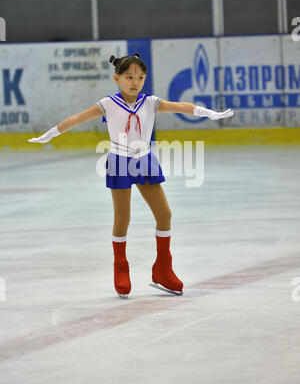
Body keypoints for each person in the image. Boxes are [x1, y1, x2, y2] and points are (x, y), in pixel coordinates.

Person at [28, 52, 234, 298]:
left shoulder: (150, 102)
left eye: (140, 77)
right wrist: (52, 133)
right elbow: (78, 118)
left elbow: (180, 106)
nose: (135, 82)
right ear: (117, 78)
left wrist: (206, 112)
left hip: (144, 159)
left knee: (164, 214)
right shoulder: (107, 104)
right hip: (119, 160)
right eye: (129, 77)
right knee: (122, 218)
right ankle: (120, 266)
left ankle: (163, 268)